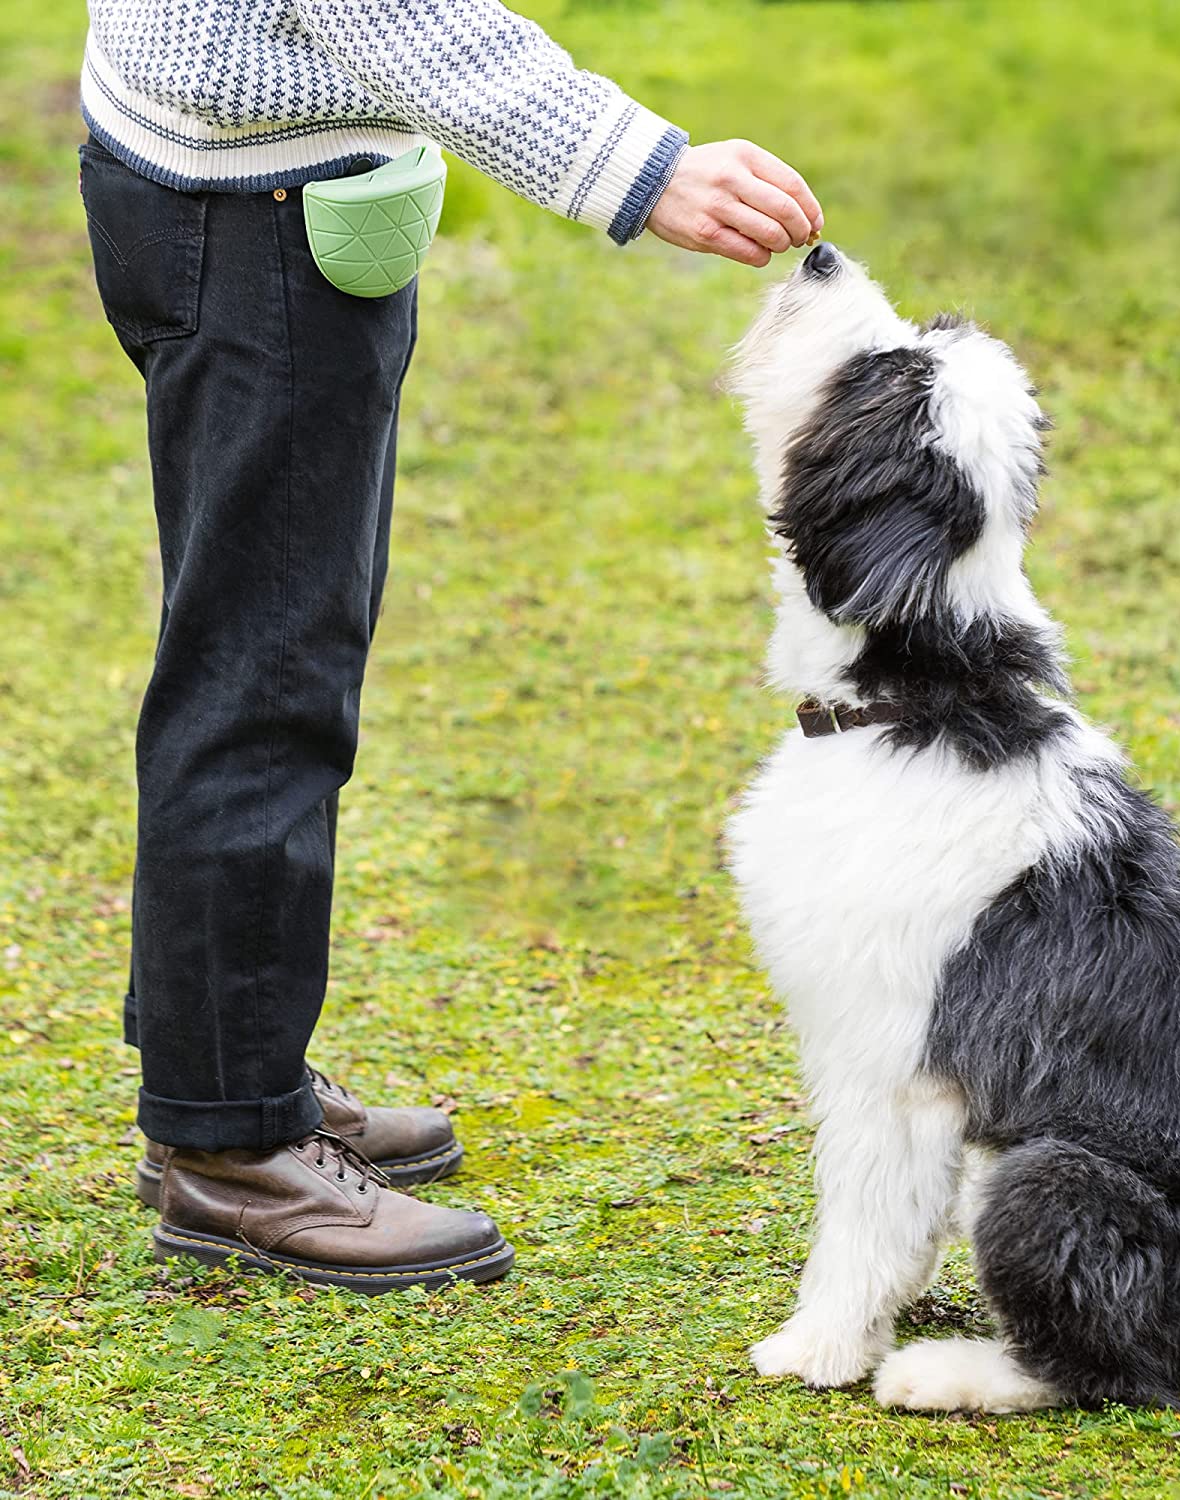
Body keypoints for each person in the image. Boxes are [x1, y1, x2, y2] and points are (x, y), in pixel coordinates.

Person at [78, 0, 823, 1293]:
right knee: (262, 680)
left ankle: (227, 1070)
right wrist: (638, 166)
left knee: (256, 651)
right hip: (253, 224)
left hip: (208, 172)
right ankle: (232, 1145)